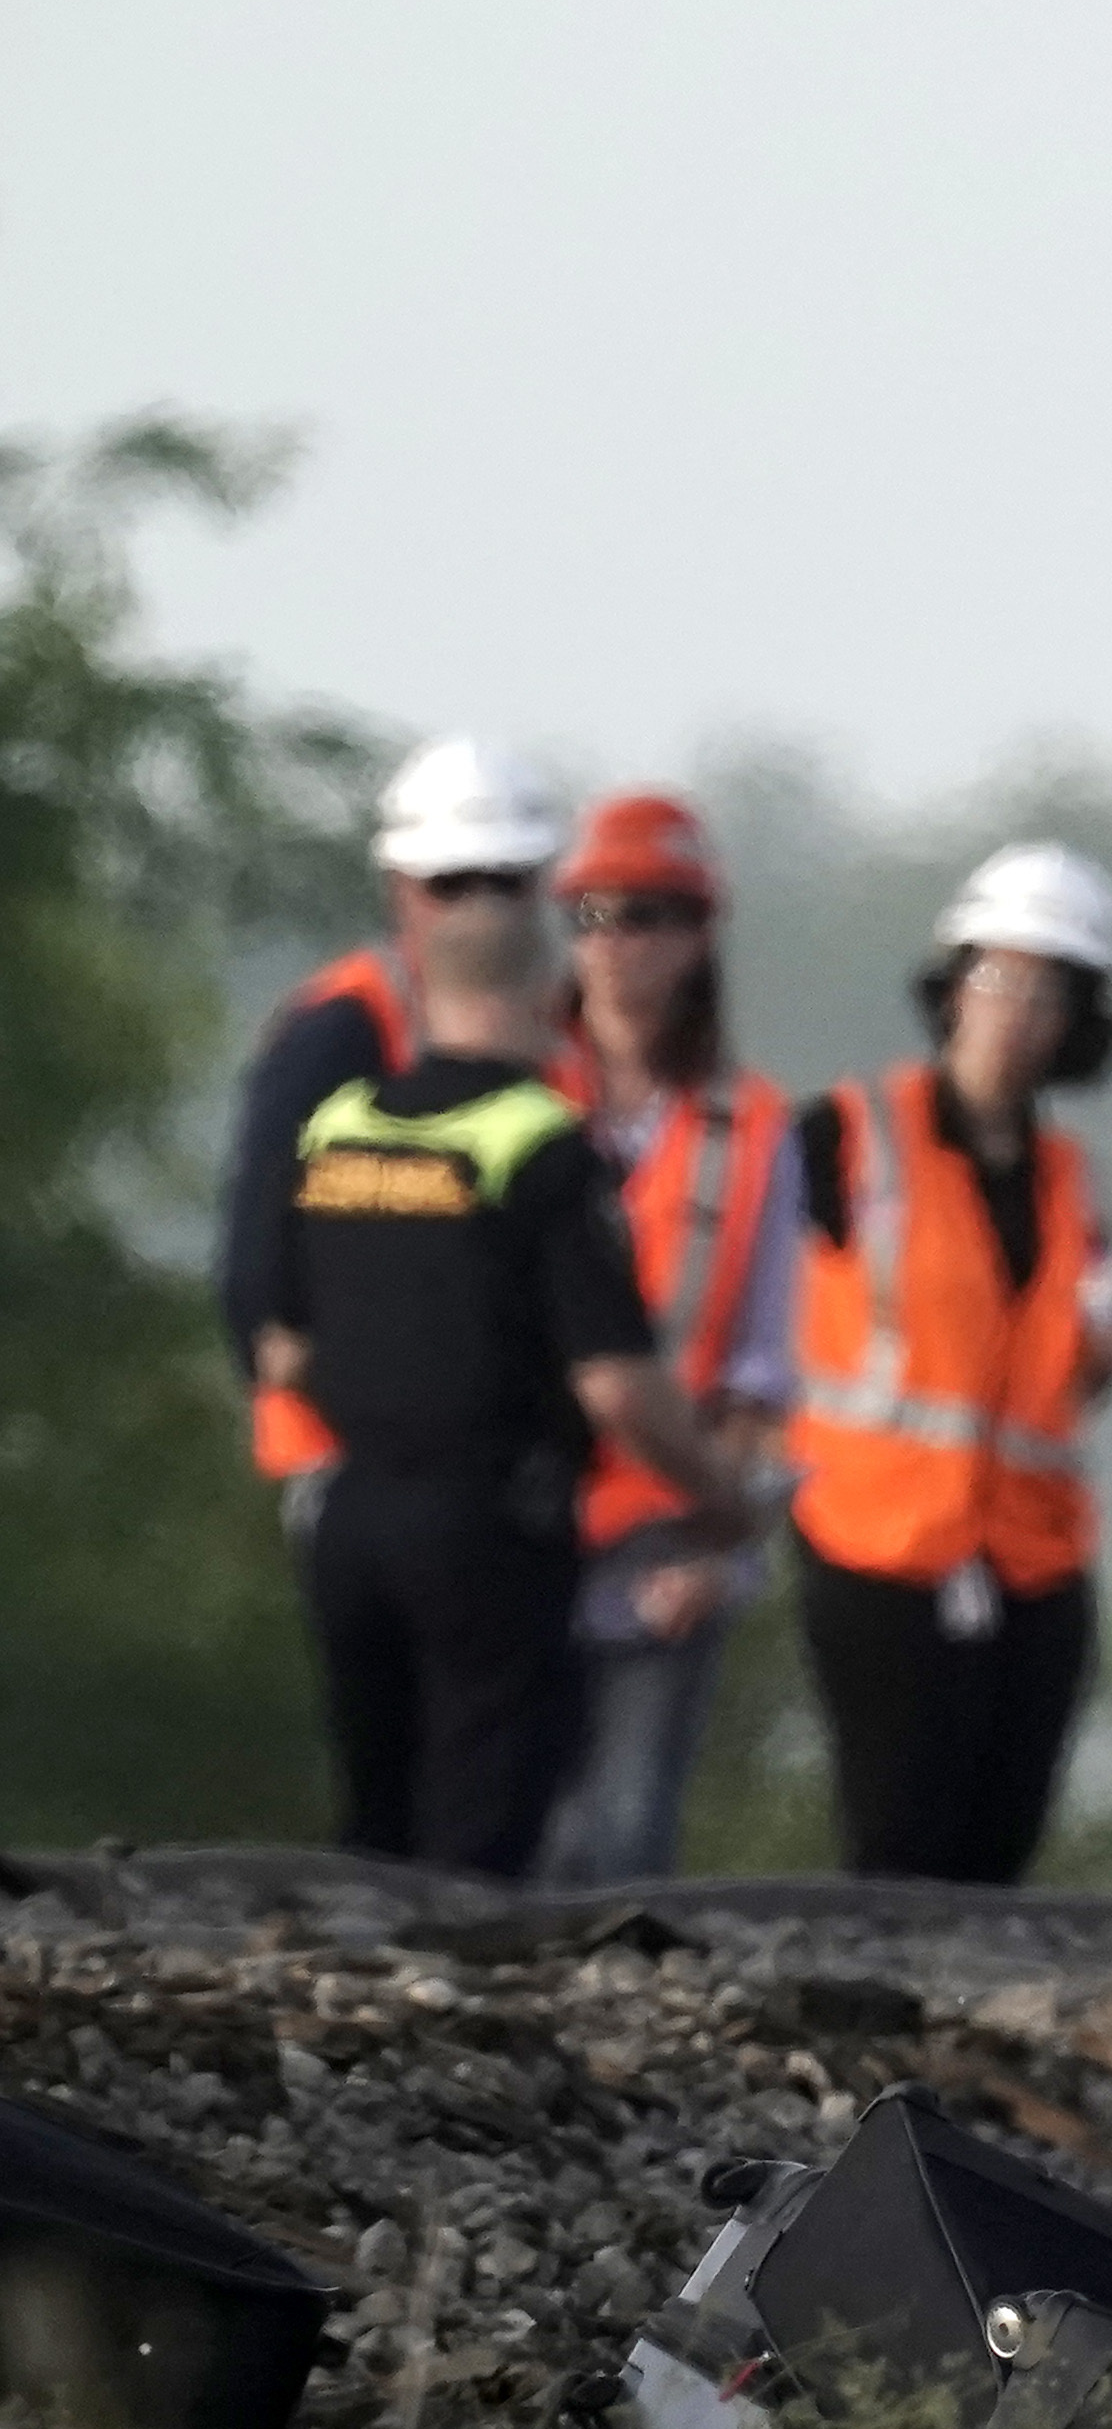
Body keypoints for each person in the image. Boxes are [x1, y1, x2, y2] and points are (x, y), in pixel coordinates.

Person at [246, 803, 752, 1868]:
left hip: (349, 1518)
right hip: (488, 1527)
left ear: (418, 991)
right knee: (483, 1838)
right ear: (543, 996)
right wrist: (717, 1492)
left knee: (374, 1827)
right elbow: (616, 1384)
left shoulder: (341, 1130)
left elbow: (283, 1343)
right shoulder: (539, 1145)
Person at [788, 843, 1112, 1885]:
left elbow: (1063, 1386)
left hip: (1032, 1562)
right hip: (882, 1550)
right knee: (900, 1846)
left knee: (1000, 1853)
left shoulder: (1077, 1182)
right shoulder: (848, 1136)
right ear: (953, 986)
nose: (1016, 1013)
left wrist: (1109, 1348)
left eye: (1048, 991)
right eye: (997, 978)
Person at [539, 788, 803, 1884]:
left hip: (664, 1537)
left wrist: (722, 1542)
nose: (614, 945)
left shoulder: (749, 1133)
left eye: (645, 915)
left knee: (627, 1842)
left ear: (698, 936)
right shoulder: (515, 1098)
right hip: (522, 1525)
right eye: (592, 915)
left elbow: (761, 1365)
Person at [220, 737, 559, 1498]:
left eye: (505, 882)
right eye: (453, 883)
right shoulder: (340, 1028)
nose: (481, 909)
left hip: (493, 1450)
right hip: (349, 1456)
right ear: (399, 887)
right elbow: (259, 1279)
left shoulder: (554, 1027)